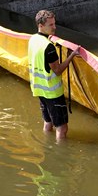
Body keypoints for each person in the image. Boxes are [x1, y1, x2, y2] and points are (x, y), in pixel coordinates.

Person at [28, 10, 80, 140]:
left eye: (54, 24)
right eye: (50, 25)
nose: (54, 27)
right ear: (41, 25)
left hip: (39, 89)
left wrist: (48, 37)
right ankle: (60, 155)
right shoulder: (49, 47)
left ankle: (47, 147)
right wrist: (72, 56)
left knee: (48, 122)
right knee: (62, 128)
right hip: (53, 93)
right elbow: (57, 70)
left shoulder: (33, 39)